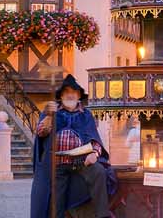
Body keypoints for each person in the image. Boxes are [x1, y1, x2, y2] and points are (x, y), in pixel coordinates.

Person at [30, 76, 113, 218]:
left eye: (73, 92)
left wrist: (94, 154)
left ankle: (102, 215)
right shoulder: (51, 112)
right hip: (57, 163)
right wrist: (49, 116)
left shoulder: (85, 115)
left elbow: (94, 138)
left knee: (99, 171)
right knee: (55, 201)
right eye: (66, 92)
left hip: (81, 161)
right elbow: (41, 133)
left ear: (79, 95)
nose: (70, 95)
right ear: (61, 95)